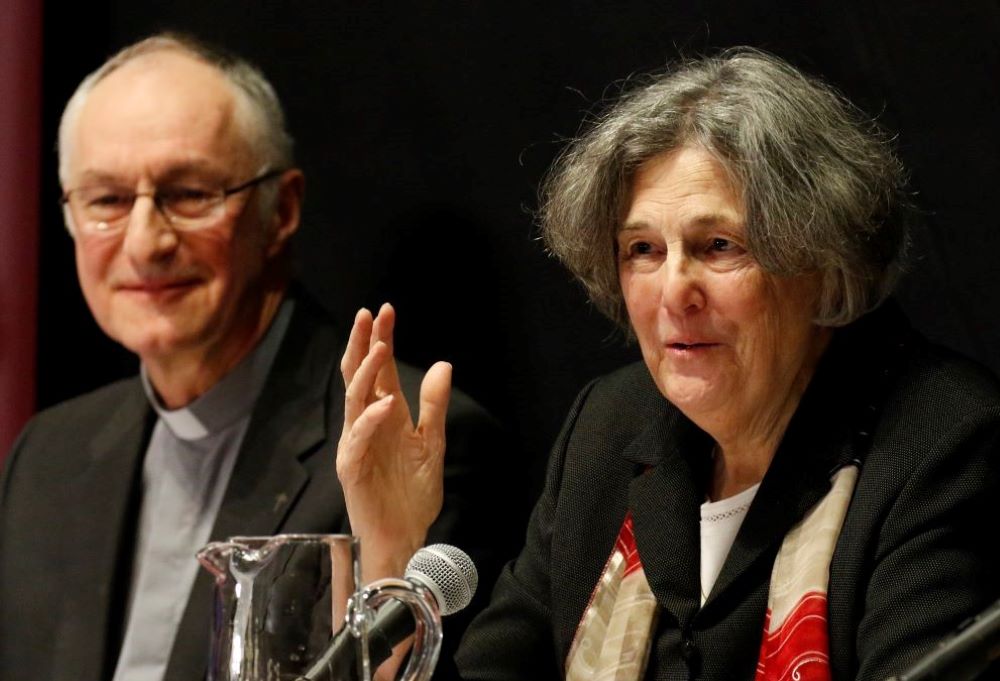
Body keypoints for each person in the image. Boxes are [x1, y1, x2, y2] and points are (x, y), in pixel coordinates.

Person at [338, 48, 1000, 680]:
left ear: (823, 261)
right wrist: (391, 548)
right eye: (643, 249)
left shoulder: (943, 441)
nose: (673, 292)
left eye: (718, 245)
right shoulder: (609, 429)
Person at [0, 34, 510, 681]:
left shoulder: (411, 445)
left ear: (282, 210)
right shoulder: (47, 453)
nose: (145, 240)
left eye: (188, 194)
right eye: (107, 199)